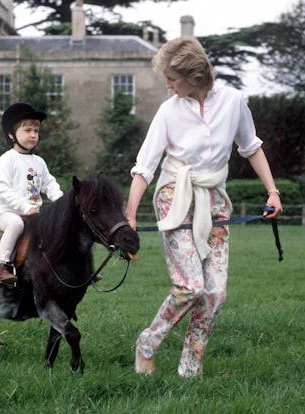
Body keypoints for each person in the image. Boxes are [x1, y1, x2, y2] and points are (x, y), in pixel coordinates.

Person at [125, 37, 283, 378]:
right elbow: (145, 166)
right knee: (190, 286)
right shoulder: (169, 109)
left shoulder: (234, 101)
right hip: (175, 198)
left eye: (172, 78)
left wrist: (273, 192)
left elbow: (251, 147)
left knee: (214, 293)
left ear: (194, 75)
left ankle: (191, 366)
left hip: (214, 200)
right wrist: (130, 216)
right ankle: (147, 343)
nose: (167, 84)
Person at [0, 102, 63, 287]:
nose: (33, 135)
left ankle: (72, 268)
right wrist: (25, 208)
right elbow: (2, 189)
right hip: (8, 213)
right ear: (11, 135)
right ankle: (1, 268)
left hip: (33, 214)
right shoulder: (6, 160)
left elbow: (50, 184)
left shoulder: (39, 162)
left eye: (36, 131)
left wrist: (63, 203)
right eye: (27, 130)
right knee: (16, 224)